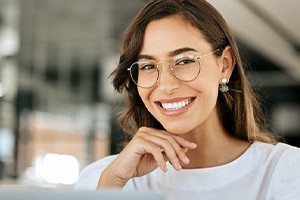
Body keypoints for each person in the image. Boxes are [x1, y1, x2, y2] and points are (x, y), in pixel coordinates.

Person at [75, 0, 300, 199]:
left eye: (184, 61)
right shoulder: (107, 178)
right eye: (148, 66)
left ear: (225, 65)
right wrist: (111, 187)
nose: (165, 85)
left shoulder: (285, 172)